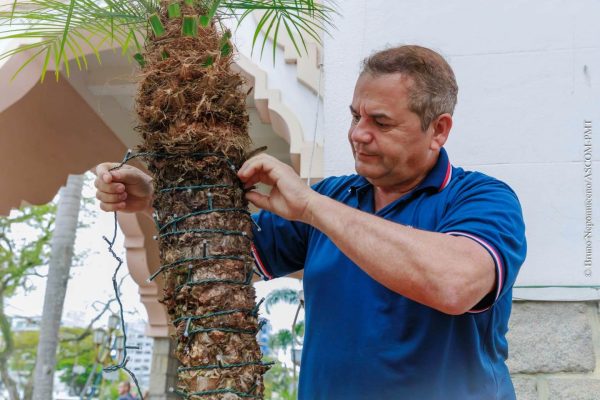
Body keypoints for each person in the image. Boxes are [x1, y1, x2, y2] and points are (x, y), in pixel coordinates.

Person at [95, 45, 526, 399]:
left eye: (381, 122)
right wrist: (158, 198)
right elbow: (226, 257)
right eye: (355, 115)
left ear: (439, 130)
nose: (358, 133)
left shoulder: (483, 198)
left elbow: (454, 284)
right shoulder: (336, 196)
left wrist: (310, 206)